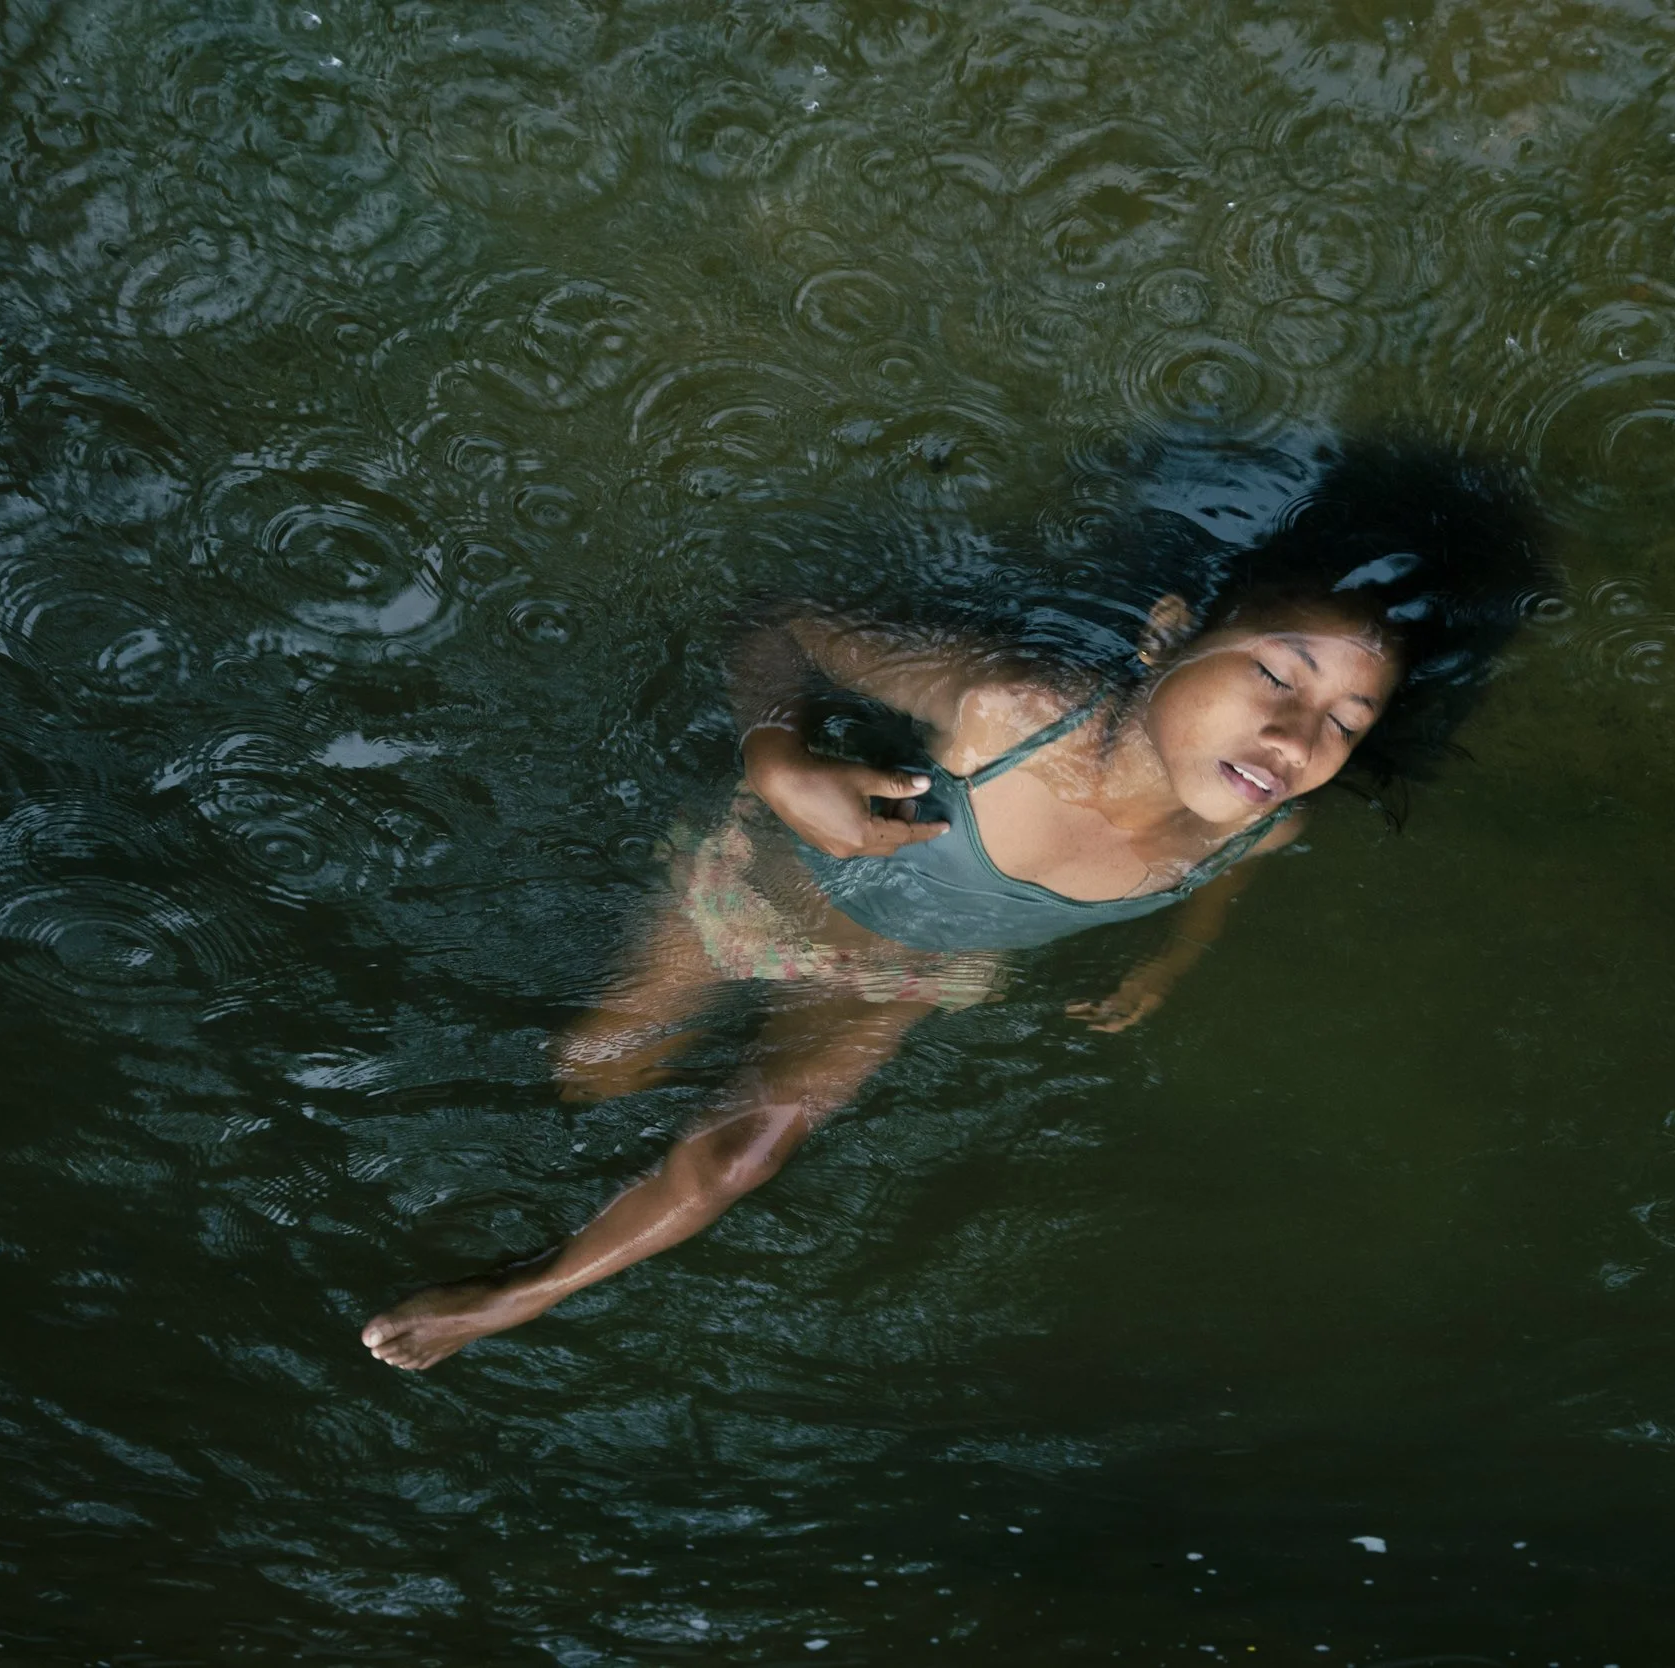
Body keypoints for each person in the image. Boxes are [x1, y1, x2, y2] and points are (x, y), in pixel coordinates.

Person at [360, 440, 1544, 1368]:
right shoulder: (1017, 716)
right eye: (1277, 673)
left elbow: (1217, 881)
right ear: (1171, 635)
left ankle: (512, 1297)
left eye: (1345, 723)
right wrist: (777, 760)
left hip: (911, 975)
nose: (1295, 733)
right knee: (594, 1068)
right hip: (757, 894)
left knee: (742, 1159)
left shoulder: (1259, 817)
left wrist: (1169, 964)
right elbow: (779, 624)